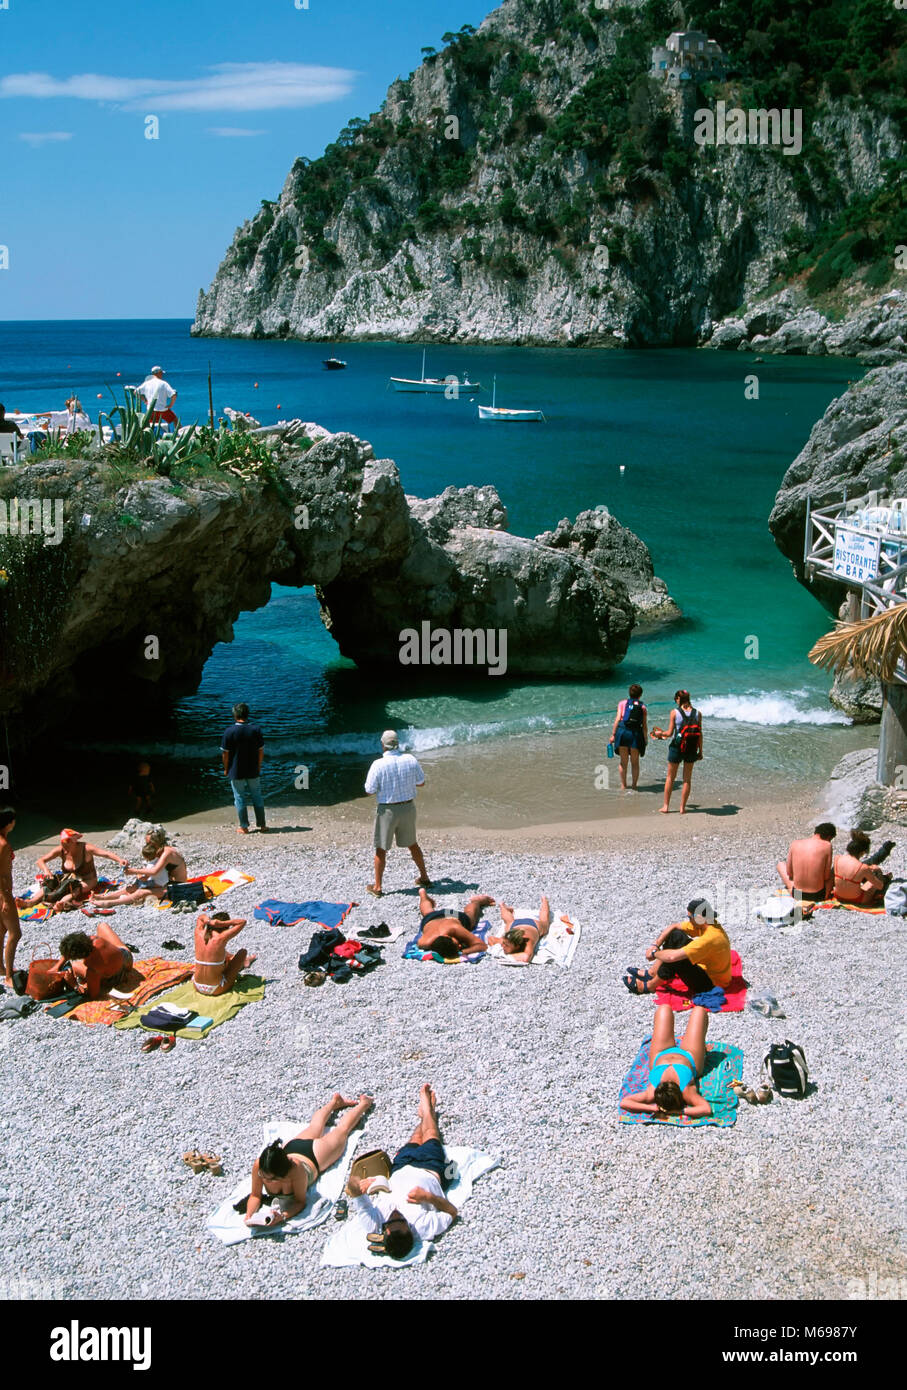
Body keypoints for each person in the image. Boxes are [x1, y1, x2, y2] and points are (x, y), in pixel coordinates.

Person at [346, 1084, 459, 1258]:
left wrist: (358, 1185)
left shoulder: (374, 1223)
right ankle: (428, 1108)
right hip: (429, 1168)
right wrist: (429, 1198)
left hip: (400, 1167)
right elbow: (452, 1213)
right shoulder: (422, 1227)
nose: (397, 1215)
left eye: (394, 1221)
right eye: (403, 1221)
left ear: (386, 1232)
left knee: (415, 1138)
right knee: (429, 1133)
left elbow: (352, 1187)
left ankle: (425, 1114)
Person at [245, 1093, 374, 1227]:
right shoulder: (259, 1166)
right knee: (315, 1126)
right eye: (263, 1176)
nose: (265, 1180)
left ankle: (365, 1103)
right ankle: (334, 1102)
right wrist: (249, 1216)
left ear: (283, 1174)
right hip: (292, 1147)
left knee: (342, 1130)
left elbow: (300, 1202)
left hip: (315, 1154)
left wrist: (283, 1217)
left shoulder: (296, 1170)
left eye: (271, 1179)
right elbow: (255, 1196)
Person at [364, 730, 430, 896]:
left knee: (381, 848)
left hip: (387, 810)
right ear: (397, 743)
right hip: (408, 807)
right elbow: (421, 782)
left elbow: (369, 790)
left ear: (383, 744)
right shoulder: (410, 759)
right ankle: (424, 877)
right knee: (412, 844)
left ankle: (378, 887)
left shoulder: (377, 764)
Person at [620, 1004, 713, 1119]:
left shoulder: (651, 1092)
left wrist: (653, 1108)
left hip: (661, 1054)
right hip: (690, 1057)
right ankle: (702, 1048)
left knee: (664, 1009)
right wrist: (681, 1112)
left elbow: (624, 1102)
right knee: (699, 1011)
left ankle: (696, 1045)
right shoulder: (687, 1092)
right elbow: (706, 1109)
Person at [623, 898, 732, 995]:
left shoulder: (709, 938)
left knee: (676, 959)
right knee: (676, 935)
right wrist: (655, 945)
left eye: (689, 917)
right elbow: (675, 926)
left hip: (711, 985)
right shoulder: (708, 923)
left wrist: (654, 953)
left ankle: (650, 986)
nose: (688, 920)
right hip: (711, 971)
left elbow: (672, 957)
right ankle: (652, 973)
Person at [90, 829, 187, 907]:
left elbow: (154, 871)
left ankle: (110, 903)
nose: (147, 845)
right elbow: (152, 869)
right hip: (165, 883)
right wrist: (140, 874)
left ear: (155, 842)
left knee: (141, 892)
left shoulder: (167, 852)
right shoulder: (159, 851)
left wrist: (133, 871)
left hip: (177, 886)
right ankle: (104, 897)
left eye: (148, 843)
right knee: (134, 887)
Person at [35, 829, 128, 901]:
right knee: (49, 884)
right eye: (63, 845)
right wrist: (46, 870)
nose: (65, 848)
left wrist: (120, 860)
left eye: (67, 845)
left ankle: (62, 903)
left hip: (87, 880)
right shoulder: (61, 850)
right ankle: (30, 902)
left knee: (75, 888)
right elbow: (40, 861)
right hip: (68, 880)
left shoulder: (86, 848)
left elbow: (105, 854)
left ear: (74, 842)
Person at [52, 922, 135, 1000]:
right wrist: (57, 966)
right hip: (126, 956)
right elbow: (72, 946)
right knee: (102, 926)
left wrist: (74, 984)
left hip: (118, 975)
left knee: (74, 966)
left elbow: (93, 995)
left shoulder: (92, 968)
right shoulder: (92, 939)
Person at [651, 689, 702, 813]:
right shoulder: (698, 713)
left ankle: (666, 806)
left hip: (677, 747)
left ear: (678, 699)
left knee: (670, 777)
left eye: (676, 699)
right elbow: (700, 734)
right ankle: (682, 808)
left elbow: (669, 733)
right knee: (687, 779)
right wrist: (700, 751)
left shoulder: (674, 712)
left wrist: (659, 734)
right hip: (691, 748)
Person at [221, 702, 266, 835]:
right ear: (247, 715)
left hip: (236, 770)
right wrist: (258, 765)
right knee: (257, 795)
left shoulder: (229, 731)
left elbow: (225, 753)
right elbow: (261, 751)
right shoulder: (255, 730)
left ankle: (244, 826)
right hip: (253, 768)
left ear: (235, 715)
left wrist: (226, 768)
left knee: (239, 797)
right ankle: (262, 825)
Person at [416, 887, 493, 959]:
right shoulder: (423, 942)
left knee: (470, 917)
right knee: (427, 912)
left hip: (451, 915)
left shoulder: (454, 929)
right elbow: (482, 946)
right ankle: (422, 894)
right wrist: (459, 951)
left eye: (457, 944)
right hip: (432, 918)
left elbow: (482, 946)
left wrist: (462, 952)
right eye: (459, 946)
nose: (460, 945)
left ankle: (477, 902)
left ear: (447, 936)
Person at [193, 909, 256, 996]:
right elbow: (242, 922)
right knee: (243, 952)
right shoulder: (221, 937)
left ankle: (235, 960)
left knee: (221, 954)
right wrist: (221, 923)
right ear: (225, 927)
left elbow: (200, 917)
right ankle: (245, 961)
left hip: (197, 986)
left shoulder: (198, 933)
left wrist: (209, 921)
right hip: (217, 988)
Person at [776, 823, 836, 902]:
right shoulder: (827, 845)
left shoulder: (795, 843)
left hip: (797, 894)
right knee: (835, 868)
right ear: (829, 837)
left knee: (780, 865)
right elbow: (826, 877)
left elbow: (789, 873)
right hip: (818, 896)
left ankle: (793, 889)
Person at [833, 829, 893, 907]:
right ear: (862, 853)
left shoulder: (837, 858)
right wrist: (878, 871)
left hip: (838, 896)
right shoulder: (862, 867)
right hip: (857, 900)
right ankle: (886, 878)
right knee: (877, 880)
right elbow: (879, 886)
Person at [487, 896, 552, 963]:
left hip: (534, 925)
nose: (502, 946)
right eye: (503, 943)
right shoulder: (506, 940)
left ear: (517, 946)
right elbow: (490, 939)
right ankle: (502, 905)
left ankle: (545, 900)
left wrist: (503, 954)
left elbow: (526, 958)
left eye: (506, 945)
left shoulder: (528, 943)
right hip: (516, 925)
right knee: (508, 922)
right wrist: (504, 946)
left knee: (545, 923)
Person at [610, 683, 648, 791]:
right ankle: (634, 786)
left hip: (622, 732)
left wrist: (613, 735)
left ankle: (623, 786)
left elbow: (618, 719)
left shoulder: (622, 703)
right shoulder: (643, 707)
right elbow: (644, 725)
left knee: (623, 762)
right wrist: (645, 738)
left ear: (629, 693)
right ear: (640, 695)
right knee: (635, 762)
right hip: (635, 734)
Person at [0, 808, 20, 989]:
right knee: (15, 933)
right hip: (2, 893)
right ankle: (8, 976)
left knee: (1, 931)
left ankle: (0, 967)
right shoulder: (3, 844)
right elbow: (2, 875)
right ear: (9, 823)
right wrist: (6, 898)